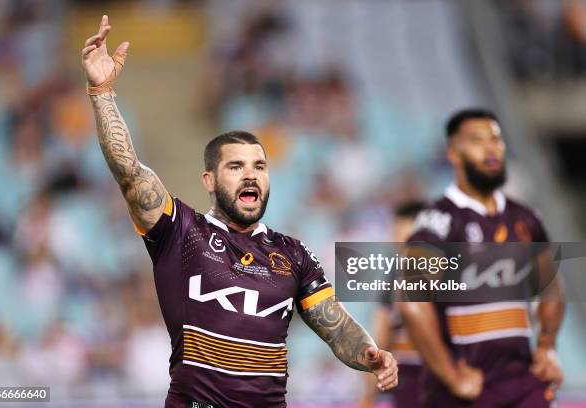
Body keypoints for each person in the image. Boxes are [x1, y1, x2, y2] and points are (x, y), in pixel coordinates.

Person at [81, 15, 398, 408]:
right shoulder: (181, 232)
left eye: (259, 167)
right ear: (209, 180)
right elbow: (130, 173)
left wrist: (370, 354)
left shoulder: (294, 255)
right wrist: (102, 91)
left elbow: (335, 326)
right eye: (236, 167)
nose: (250, 176)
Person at [399, 109, 564, 407]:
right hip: (466, 391)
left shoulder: (526, 218)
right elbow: (412, 304)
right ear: (453, 154)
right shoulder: (438, 221)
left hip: (524, 384)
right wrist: (451, 376)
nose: (491, 149)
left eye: (497, 140)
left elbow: (551, 287)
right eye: (477, 141)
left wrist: (547, 345)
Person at [360, 202, 426, 408]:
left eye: (400, 231)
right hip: (410, 381)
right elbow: (381, 338)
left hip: (428, 380)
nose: (395, 238)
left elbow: (381, 338)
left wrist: (367, 399)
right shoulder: (394, 278)